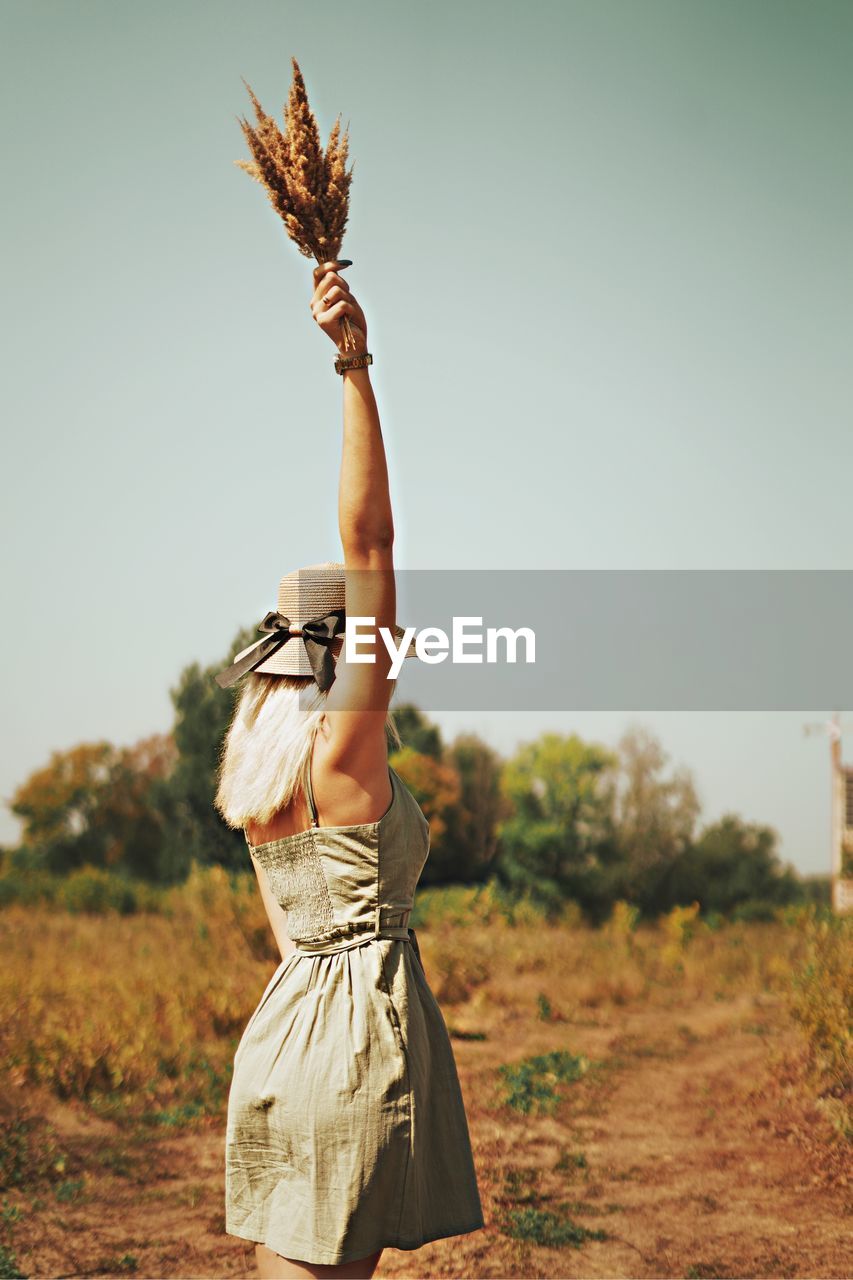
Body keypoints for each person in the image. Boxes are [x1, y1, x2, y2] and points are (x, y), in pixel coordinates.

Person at [213, 261, 485, 1279]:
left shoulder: (257, 785)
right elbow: (369, 538)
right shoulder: (345, 751)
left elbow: (288, 937)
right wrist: (353, 360)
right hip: (355, 1055)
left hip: (279, 1042)